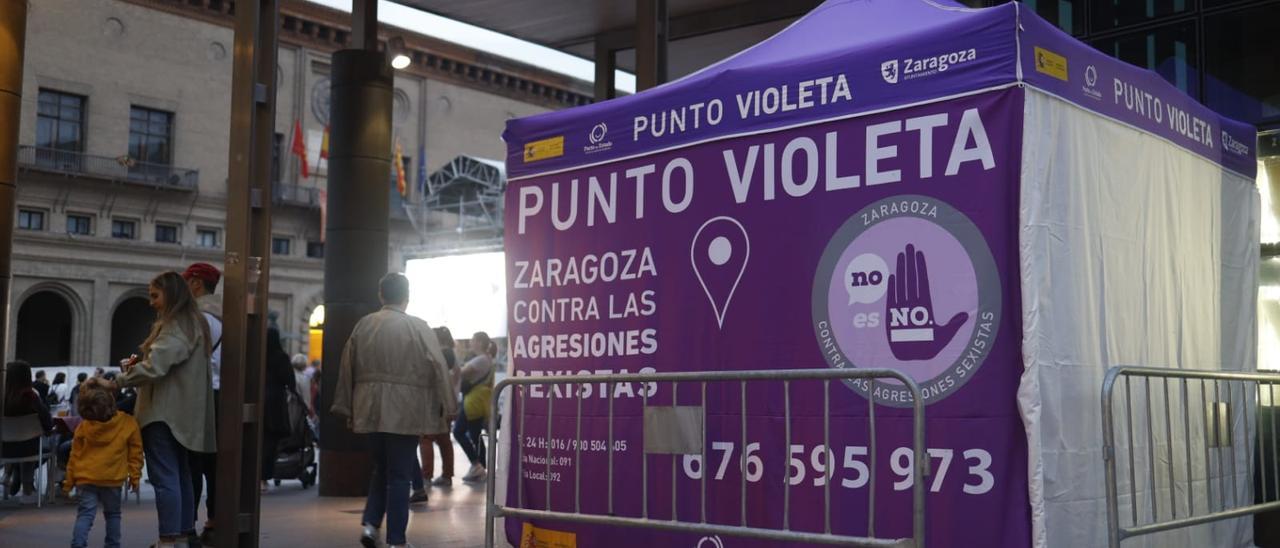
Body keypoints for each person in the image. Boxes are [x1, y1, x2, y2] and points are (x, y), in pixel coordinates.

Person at [332, 273, 455, 548]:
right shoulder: (418, 327)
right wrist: (449, 405)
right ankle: (397, 541)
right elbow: (438, 366)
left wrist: (345, 405)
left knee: (381, 468)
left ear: (381, 295)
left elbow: (346, 366)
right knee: (399, 475)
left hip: (369, 406)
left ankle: (370, 526)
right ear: (407, 297)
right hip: (405, 409)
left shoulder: (363, 325)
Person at [109, 271, 216, 548]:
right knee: (180, 474)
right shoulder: (195, 323)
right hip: (183, 415)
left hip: (163, 413)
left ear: (171, 294)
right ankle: (181, 534)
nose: (151, 302)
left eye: (155, 295)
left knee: (165, 477)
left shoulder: (177, 324)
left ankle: (168, 539)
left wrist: (118, 381)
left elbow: (157, 366)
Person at [63, 381, 142, 548]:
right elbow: (136, 452)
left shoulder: (83, 427)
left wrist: (69, 482)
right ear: (111, 402)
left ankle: (78, 544)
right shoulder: (128, 423)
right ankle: (112, 545)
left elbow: (74, 455)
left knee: (85, 515)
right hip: (112, 479)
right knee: (113, 515)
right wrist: (134, 477)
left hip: (86, 478)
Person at [181, 262, 222, 544]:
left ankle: (187, 525)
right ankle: (214, 520)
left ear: (196, 283)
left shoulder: (197, 318)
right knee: (214, 465)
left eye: (186, 281)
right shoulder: (221, 316)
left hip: (199, 396)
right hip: (220, 398)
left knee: (191, 463)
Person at [2, 360, 53, 497]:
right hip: (29, 449)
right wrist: (48, 430)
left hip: (3, 450)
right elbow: (47, 421)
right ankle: (27, 490)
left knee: (16, 443)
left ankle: (7, 474)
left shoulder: (2, 396)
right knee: (35, 444)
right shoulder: (31, 396)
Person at [455, 332, 496, 482]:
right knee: (475, 434)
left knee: (458, 431)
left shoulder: (480, 360)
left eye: (472, 340)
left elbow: (461, 373)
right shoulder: (487, 359)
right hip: (478, 402)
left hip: (473, 402)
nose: (471, 342)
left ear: (479, 342)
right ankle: (480, 467)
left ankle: (476, 464)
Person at [261, 327, 297, 491]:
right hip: (275, 404)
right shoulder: (281, 357)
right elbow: (290, 381)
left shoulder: (258, 356)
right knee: (270, 444)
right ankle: (264, 478)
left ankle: (254, 476)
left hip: (259, 401)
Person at [422, 326, 458, 488]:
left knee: (426, 438)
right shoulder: (452, 354)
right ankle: (447, 474)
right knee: (444, 439)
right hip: (447, 401)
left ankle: (426, 475)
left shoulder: (437, 355)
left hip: (433, 401)